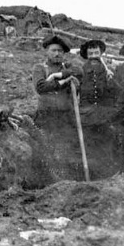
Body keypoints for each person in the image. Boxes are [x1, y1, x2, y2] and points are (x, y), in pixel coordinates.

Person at [33, 34, 83, 181]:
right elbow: (41, 87)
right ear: (46, 51)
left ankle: (69, 181)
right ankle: (50, 181)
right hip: (47, 116)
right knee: (48, 148)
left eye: (60, 51)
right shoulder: (40, 68)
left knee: (67, 148)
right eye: (53, 50)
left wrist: (58, 75)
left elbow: (79, 72)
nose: (57, 53)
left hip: (66, 116)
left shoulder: (68, 67)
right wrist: (62, 82)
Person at [78, 39, 121, 176]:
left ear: (101, 53)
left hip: (105, 114)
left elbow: (119, 93)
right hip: (86, 115)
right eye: (90, 53)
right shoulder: (81, 70)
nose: (93, 56)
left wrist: (111, 80)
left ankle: (109, 172)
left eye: (96, 52)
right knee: (89, 144)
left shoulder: (109, 70)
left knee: (107, 143)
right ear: (86, 55)